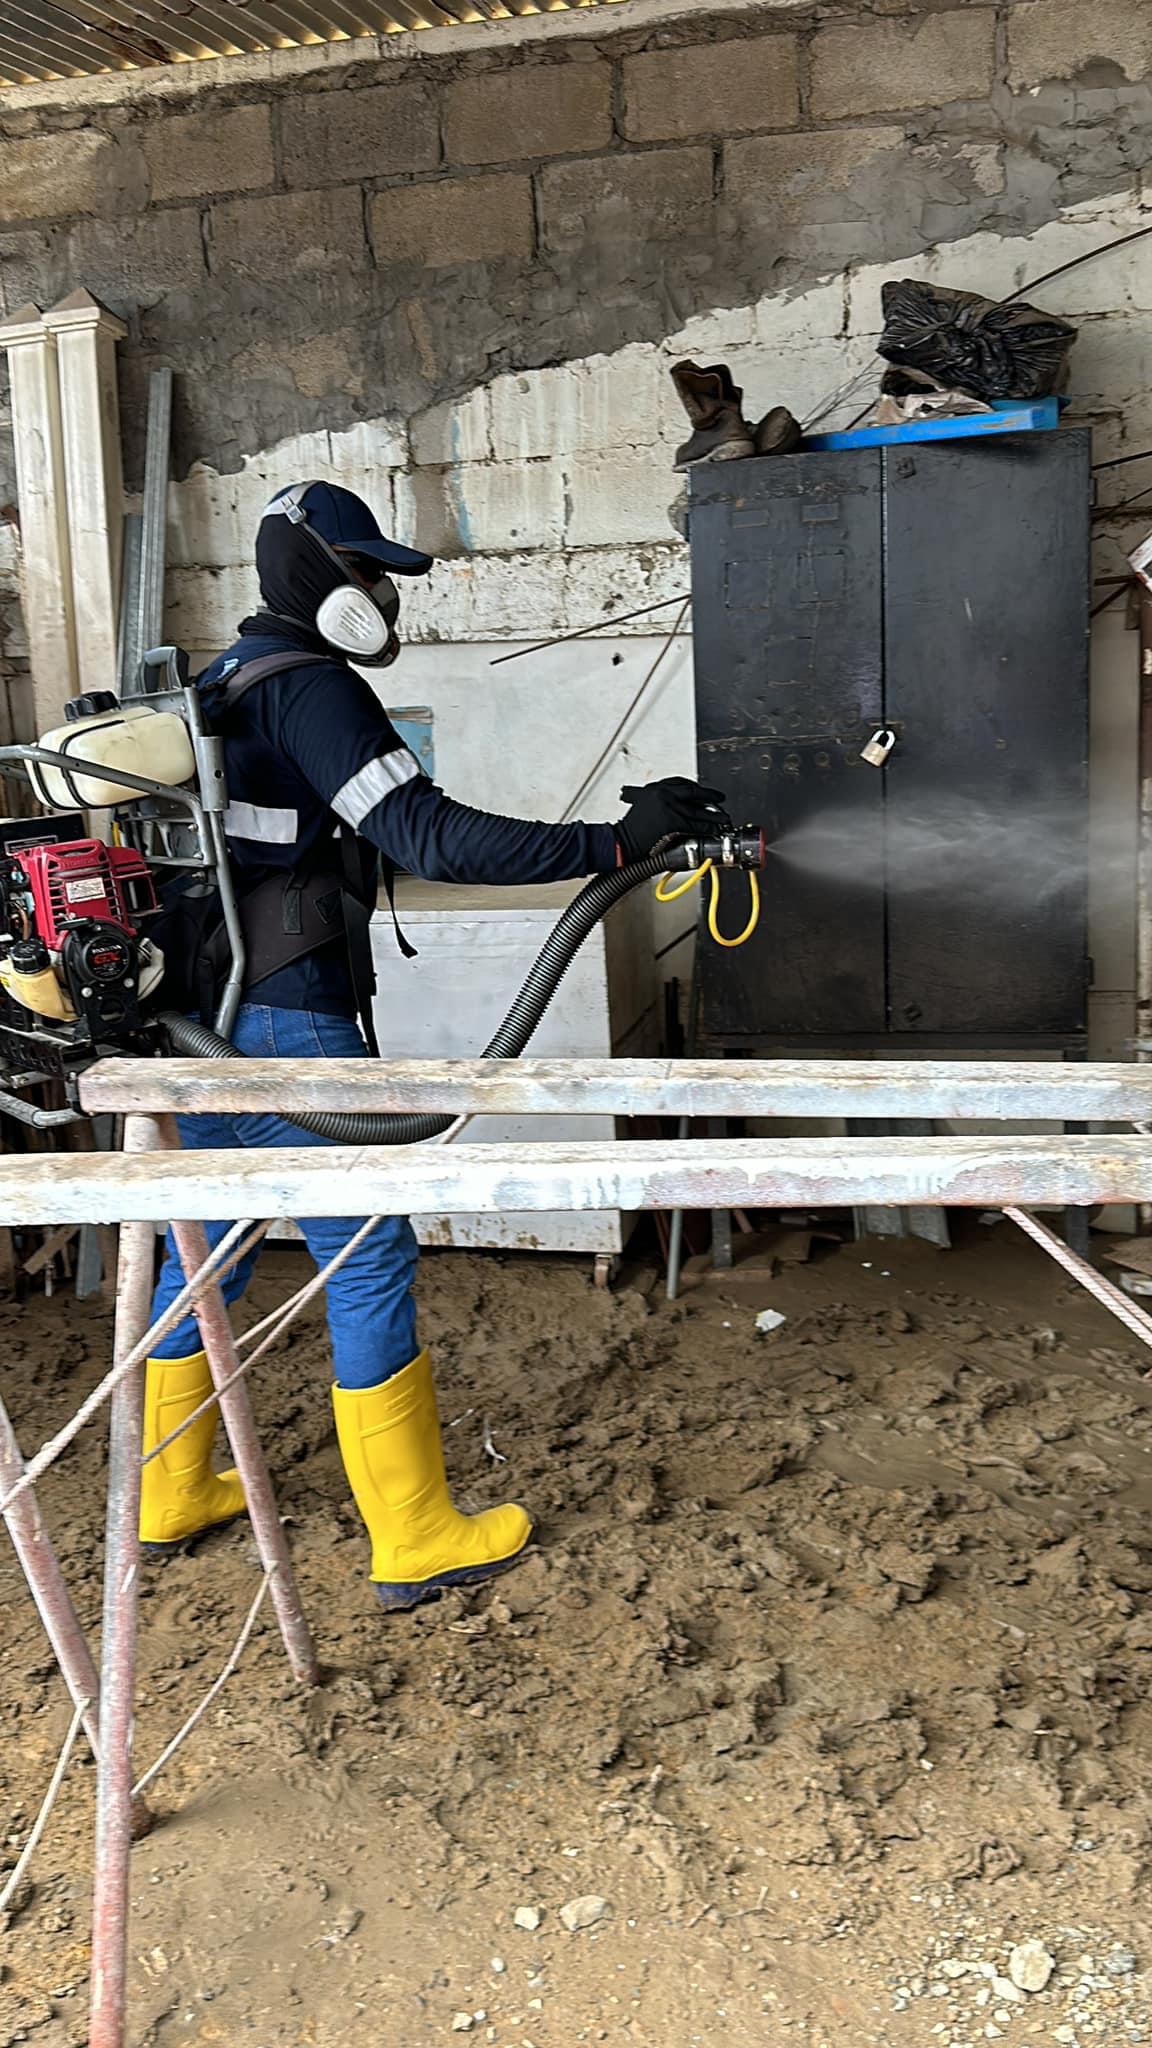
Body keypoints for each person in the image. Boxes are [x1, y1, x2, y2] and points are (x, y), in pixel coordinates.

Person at [139, 479, 726, 1612]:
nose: (382, 592)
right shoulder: (311, 687)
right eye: (367, 570)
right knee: (366, 1254)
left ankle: (171, 1491)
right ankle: (413, 1534)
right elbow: (426, 833)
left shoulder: (226, 679)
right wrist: (613, 841)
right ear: (317, 577)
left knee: (205, 1252)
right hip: (289, 1022)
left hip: (206, 1021)